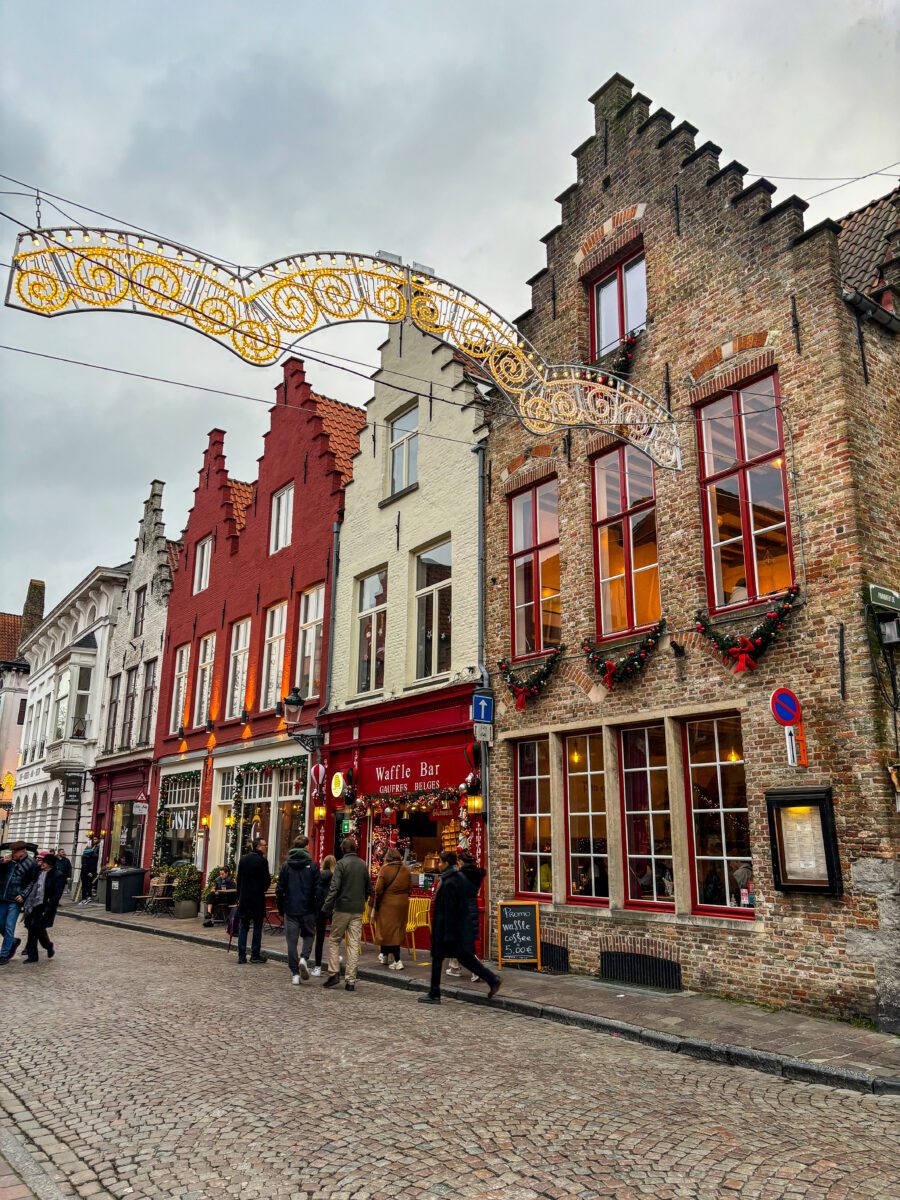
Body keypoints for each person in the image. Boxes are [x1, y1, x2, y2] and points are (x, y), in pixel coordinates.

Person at [418, 850, 500, 1005]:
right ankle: (492, 979)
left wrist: (447, 932)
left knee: (449, 958)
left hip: (448, 929)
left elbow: (449, 909)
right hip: (456, 928)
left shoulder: (451, 881)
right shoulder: (455, 878)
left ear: (447, 863)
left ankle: (435, 993)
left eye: (440, 862)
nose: (438, 865)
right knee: (462, 958)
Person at [321, 836, 372, 993]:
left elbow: (334, 888)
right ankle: (350, 980)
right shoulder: (363, 865)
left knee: (334, 940)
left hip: (342, 908)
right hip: (357, 910)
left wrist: (326, 907)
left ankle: (334, 973)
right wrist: (361, 900)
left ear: (343, 849)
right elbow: (369, 888)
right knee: (354, 944)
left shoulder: (341, 864)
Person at [276, 835, 320, 984]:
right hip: (307, 909)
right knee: (309, 935)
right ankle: (304, 958)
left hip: (291, 909)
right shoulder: (313, 866)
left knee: (291, 941)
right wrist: (316, 907)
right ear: (306, 847)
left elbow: (279, 889)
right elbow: (317, 889)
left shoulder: (286, 866)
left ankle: (295, 973)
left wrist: (282, 908)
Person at [22, 853, 65, 962]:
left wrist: (48, 909)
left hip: (45, 906)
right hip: (33, 903)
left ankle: (43, 949)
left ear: (50, 864)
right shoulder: (38, 871)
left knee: (36, 929)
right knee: (33, 928)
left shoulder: (57, 875)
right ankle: (38, 952)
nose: (42, 864)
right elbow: (31, 882)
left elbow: (56, 895)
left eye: (44, 862)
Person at [0, 842, 38, 964]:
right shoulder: (9, 861)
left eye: (15, 852)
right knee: (0, 923)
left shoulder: (31, 863)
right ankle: (13, 941)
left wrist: (23, 894)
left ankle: (4, 955)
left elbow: (33, 881)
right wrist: (2, 863)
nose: (12, 854)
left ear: (22, 851)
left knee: (9, 926)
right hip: (3, 897)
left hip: (15, 900)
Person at [235, 838, 271, 964]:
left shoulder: (243, 859)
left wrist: (238, 896)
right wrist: (262, 888)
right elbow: (266, 881)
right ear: (258, 847)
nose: (266, 847)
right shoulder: (262, 861)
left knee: (244, 927)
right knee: (257, 926)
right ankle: (255, 954)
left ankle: (241, 955)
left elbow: (239, 880)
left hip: (244, 898)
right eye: (264, 845)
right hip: (257, 899)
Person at [374, 847, 411, 970]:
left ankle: (397, 960)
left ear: (388, 857)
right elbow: (410, 888)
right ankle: (384, 955)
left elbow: (378, 889)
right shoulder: (406, 869)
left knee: (389, 930)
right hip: (403, 903)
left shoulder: (385, 869)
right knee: (396, 929)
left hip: (388, 903)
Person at [311, 854, 336, 977]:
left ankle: (317, 967)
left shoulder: (319, 876)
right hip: (332, 909)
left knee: (319, 939)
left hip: (320, 909)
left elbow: (316, 891)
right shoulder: (336, 877)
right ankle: (334, 965)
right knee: (335, 939)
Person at [78, 836, 101, 905]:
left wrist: (87, 872)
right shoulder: (94, 857)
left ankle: (84, 898)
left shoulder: (84, 856)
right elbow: (94, 865)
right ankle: (89, 897)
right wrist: (92, 872)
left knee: (85, 885)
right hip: (91, 873)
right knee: (89, 885)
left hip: (85, 873)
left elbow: (84, 865)